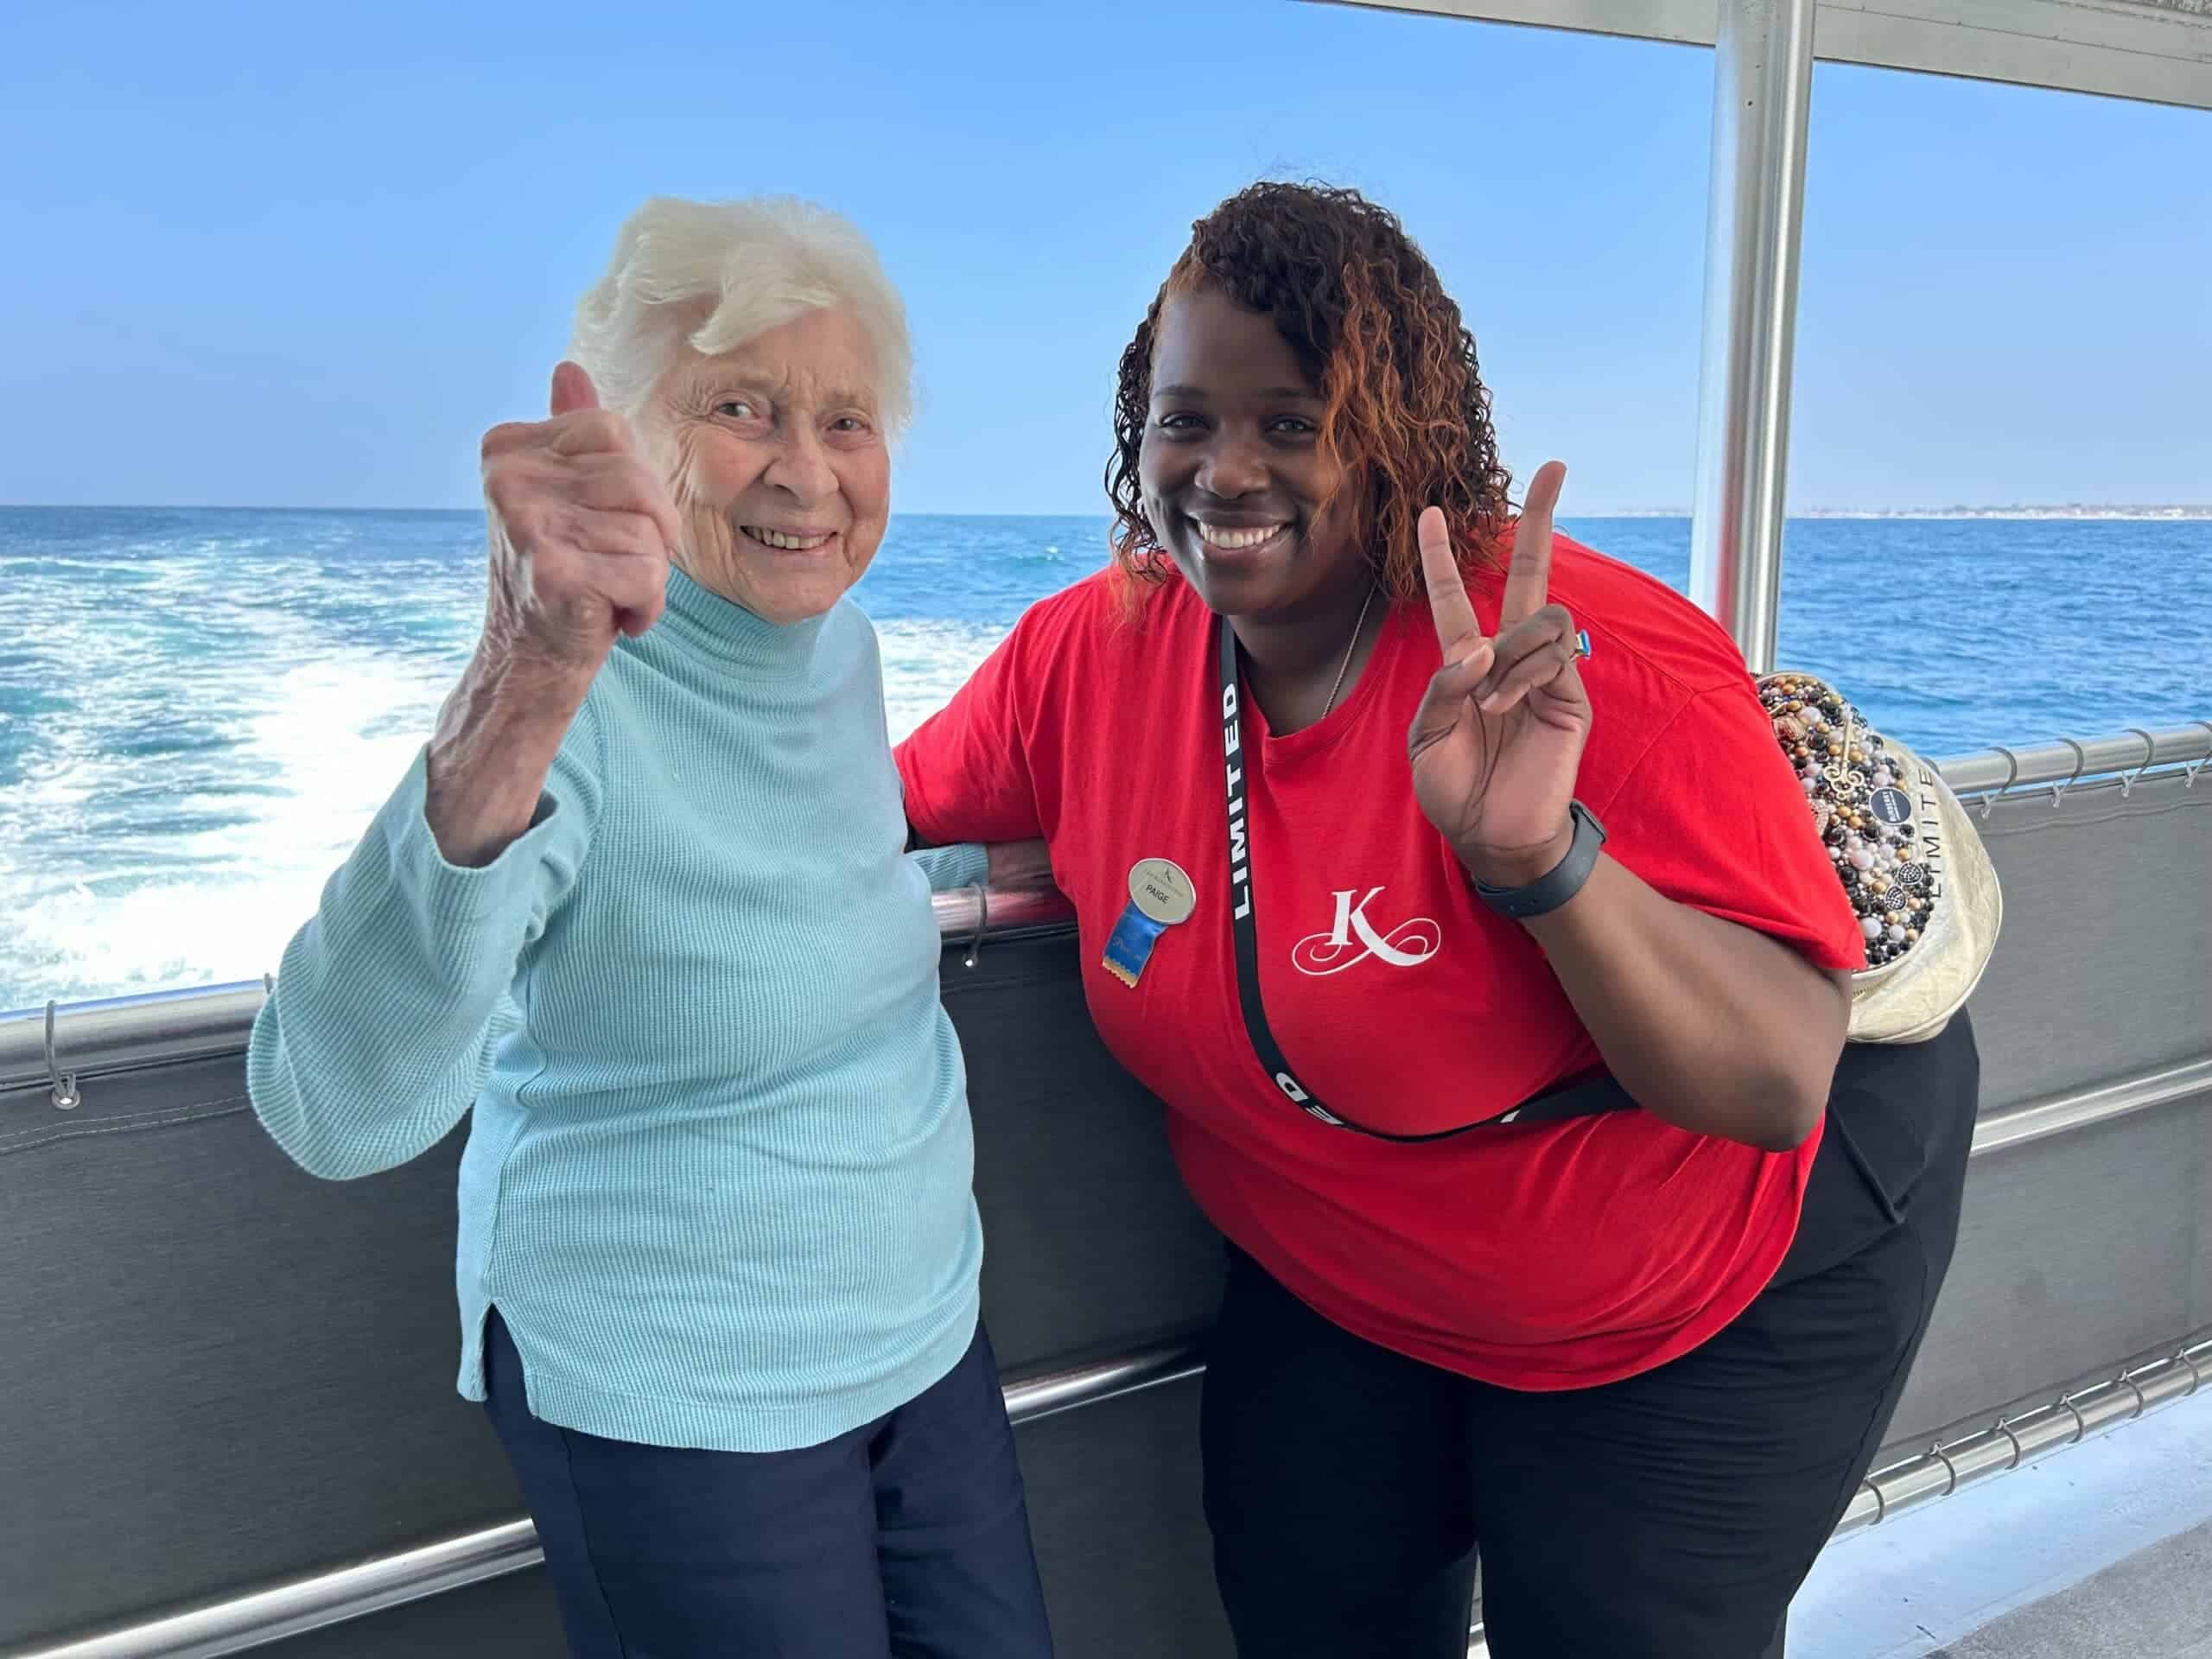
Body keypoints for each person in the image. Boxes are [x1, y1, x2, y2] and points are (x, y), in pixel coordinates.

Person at [897, 181, 1974, 1658]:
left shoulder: (1577, 666)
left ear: (1395, 435)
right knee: (1310, 1615)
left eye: (1292, 423)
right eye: (1186, 418)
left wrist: (1539, 857)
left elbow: (1776, 1077)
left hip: (1684, 1268)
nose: (1225, 471)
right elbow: (873, 800)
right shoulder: (1097, 651)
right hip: (1342, 1259)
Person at [248, 194, 1053, 1659]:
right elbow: (332, 1102)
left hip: (919, 1331)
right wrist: (524, 680)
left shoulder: (842, 644)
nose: (806, 473)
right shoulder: (581, 689)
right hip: (679, 1383)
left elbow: (801, 887)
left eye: (849, 422)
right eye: (742, 409)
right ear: (633, 437)